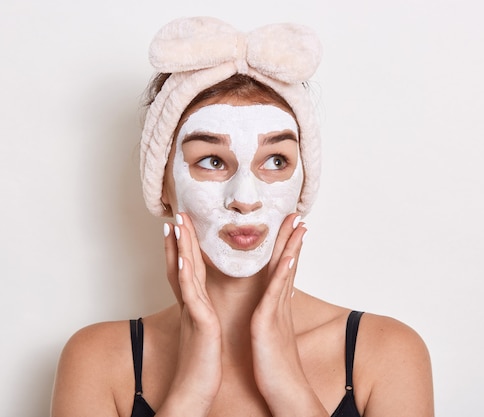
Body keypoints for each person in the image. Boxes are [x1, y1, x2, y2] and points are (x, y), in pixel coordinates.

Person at [50, 16, 434, 417]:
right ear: (162, 185)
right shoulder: (99, 360)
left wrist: (287, 383)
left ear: (303, 182)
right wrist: (190, 390)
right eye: (212, 161)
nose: (244, 198)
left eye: (275, 160)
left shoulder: (386, 352)